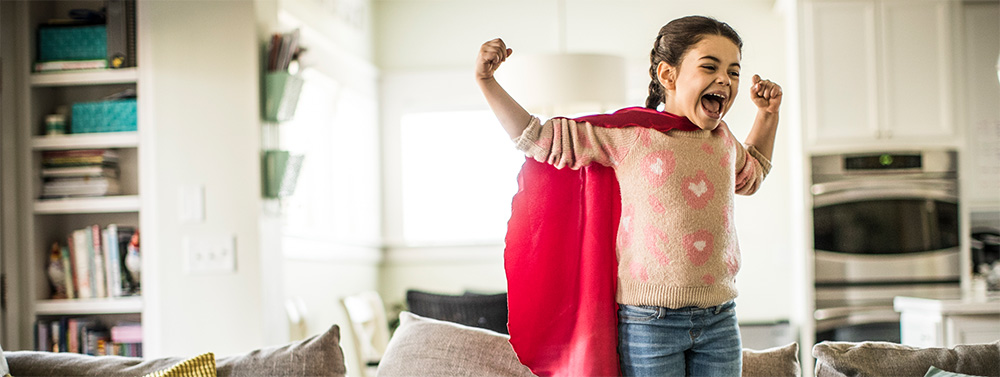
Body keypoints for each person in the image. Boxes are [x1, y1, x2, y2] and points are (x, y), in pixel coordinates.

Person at [475, 15, 782, 377]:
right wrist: (487, 81)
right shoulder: (631, 135)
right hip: (650, 323)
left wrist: (767, 115)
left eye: (733, 71)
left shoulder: (724, 141)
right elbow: (538, 138)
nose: (724, 80)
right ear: (668, 75)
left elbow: (752, 175)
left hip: (720, 318)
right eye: (709, 66)